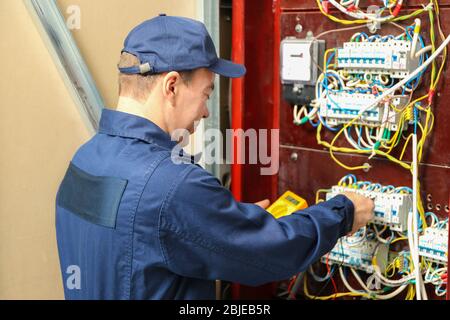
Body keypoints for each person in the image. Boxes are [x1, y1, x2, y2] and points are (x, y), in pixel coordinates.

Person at [55, 14, 374, 300]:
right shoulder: (171, 184)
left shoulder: (84, 160)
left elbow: (142, 238)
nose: (207, 110)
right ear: (172, 86)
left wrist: (218, 222)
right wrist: (343, 213)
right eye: (206, 93)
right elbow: (274, 253)